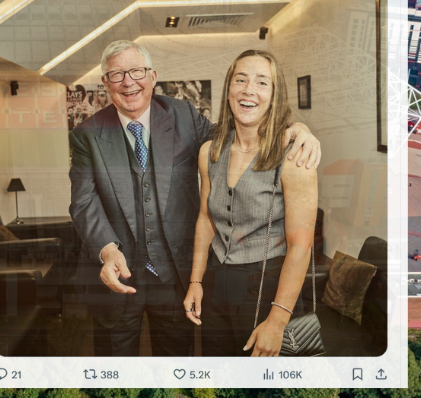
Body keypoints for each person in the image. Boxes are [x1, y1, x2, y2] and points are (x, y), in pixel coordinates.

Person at [68, 41, 321, 357]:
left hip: (176, 276)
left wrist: (298, 128)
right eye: (117, 74)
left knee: (181, 369)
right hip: (117, 280)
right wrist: (107, 250)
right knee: (116, 375)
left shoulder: (183, 115)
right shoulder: (85, 135)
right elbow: (83, 201)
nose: (128, 81)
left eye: (136, 71)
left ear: (153, 75)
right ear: (105, 82)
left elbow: (239, 129)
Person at [182, 49, 318, 356]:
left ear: (275, 94)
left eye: (262, 82)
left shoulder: (295, 156)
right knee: (221, 383)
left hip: (269, 286)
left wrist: (278, 321)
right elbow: (205, 219)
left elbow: (301, 246)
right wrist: (196, 280)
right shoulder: (210, 152)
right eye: (240, 80)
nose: (248, 90)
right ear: (229, 89)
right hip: (219, 284)